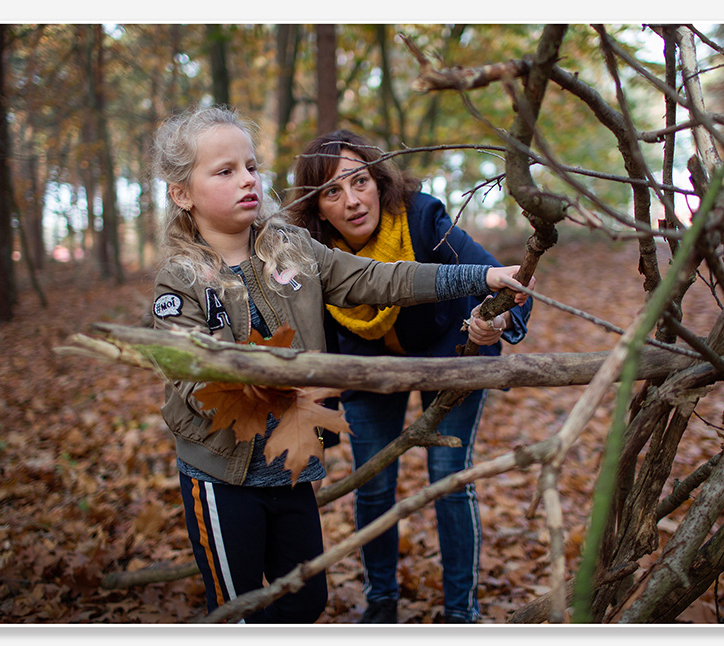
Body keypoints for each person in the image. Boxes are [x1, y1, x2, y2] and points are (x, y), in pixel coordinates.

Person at [148, 106, 529, 624]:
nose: (247, 181)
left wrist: (478, 280)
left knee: (304, 601)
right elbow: (193, 375)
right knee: (237, 611)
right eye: (225, 171)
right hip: (222, 474)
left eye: (251, 167)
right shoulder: (181, 280)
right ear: (182, 193)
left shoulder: (293, 250)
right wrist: (274, 380)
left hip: (291, 468)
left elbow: (381, 279)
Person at [287, 129, 534, 624]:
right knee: (374, 484)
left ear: (379, 179)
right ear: (317, 208)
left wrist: (496, 321)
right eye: (333, 192)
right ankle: (381, 604)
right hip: (368, 366)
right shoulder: (311, 252)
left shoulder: (424, 217)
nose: (352, 201)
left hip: (451, 354)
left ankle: (460, 613)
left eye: (359, 181)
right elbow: (309, 334)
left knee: (448, 478)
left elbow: (499, 278)